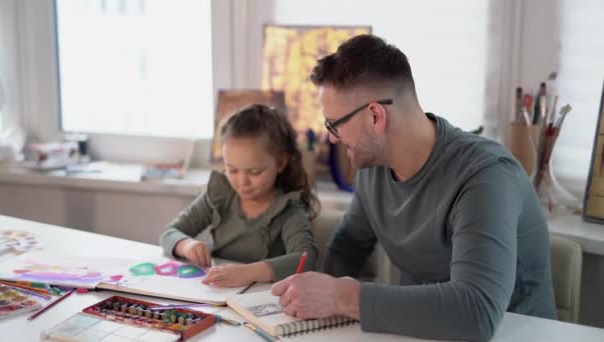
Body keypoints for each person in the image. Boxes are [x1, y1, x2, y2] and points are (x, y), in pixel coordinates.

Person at [271, 34, 557, 341]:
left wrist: (343, 297)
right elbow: (348, 247)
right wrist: (308, 297)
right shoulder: (373, 168)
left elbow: (476, 311)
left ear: (375, 116)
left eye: (334, 125)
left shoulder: (485, 176)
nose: (332, 138)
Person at [160, 104, 319, 288]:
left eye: (254, 171)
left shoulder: (288, 208)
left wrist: (248, 272)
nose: (242, 182)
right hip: (214, 292)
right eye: (232, 169)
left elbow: (306, 259)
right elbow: (168, 233)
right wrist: (186, 245)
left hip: (260, 299)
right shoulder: (219, 194)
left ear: (280, 163)